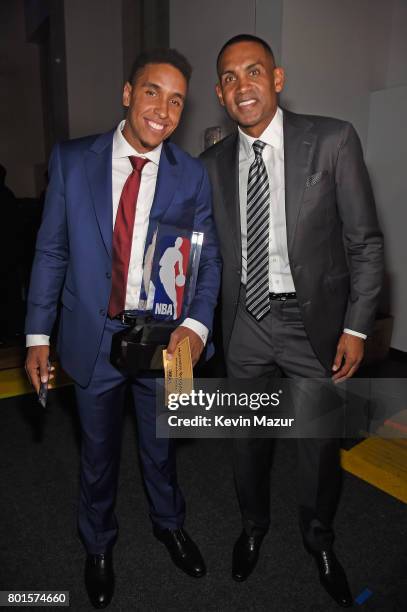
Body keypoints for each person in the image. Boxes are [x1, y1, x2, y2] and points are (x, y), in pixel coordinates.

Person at [25, 48, 221, 609]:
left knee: (163, 446)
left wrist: (198, 327)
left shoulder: (192, 176)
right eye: (153, 91)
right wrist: (38, 336)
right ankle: (99, 546)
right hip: (93, 335)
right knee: (98, 453)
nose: (164, 108)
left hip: (166, 342)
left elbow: (207, 260)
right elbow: (51, 251)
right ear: (127, 93)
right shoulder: (71, 160)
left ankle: (169, 524)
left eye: (178, 99)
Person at [201, 34, 383, 608]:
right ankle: (253, 527)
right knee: (246, 442)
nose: (242, 85)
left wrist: (356, 327)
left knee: (318, 444)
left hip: (315, 328)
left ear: (276, 80)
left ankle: (318, 538)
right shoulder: (209, 165)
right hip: (246, 326)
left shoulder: (332, 140)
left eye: (253, 72)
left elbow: (366, 245)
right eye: (229, 78)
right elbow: (200, 256)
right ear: (220, 94)